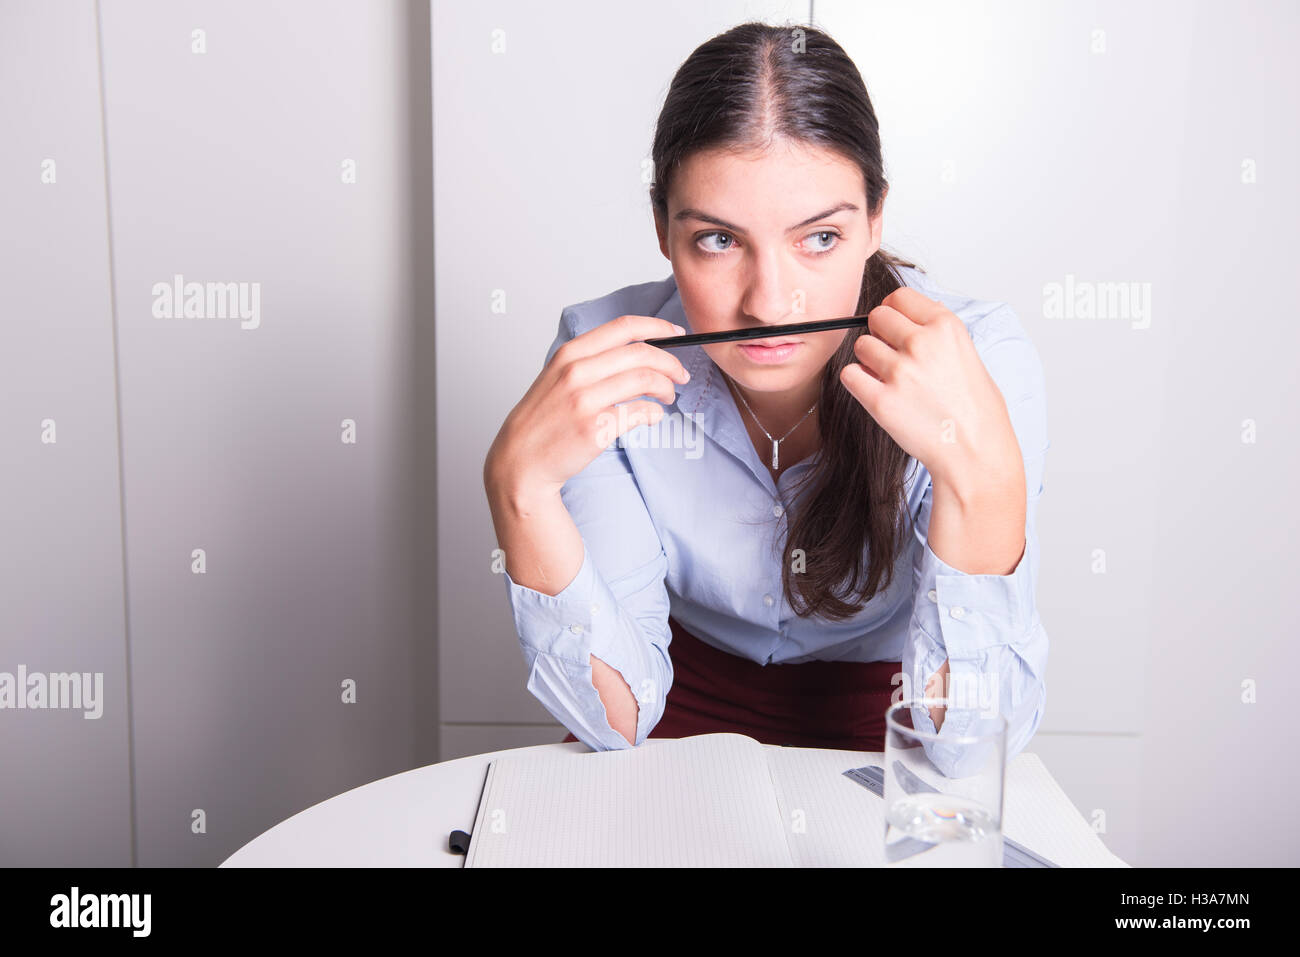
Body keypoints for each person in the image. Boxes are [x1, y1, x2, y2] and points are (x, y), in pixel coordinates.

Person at [483, 21, 1048, 758]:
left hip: (900, 703)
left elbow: (969, 748)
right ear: (662, 229)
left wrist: (989, 485)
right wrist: (516, 487)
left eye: (819, 238)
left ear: (876, 218)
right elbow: (613, 719)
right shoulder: (600, 364)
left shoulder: (978, 364)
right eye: (719, 240)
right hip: (672, 701)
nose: (769, 301)